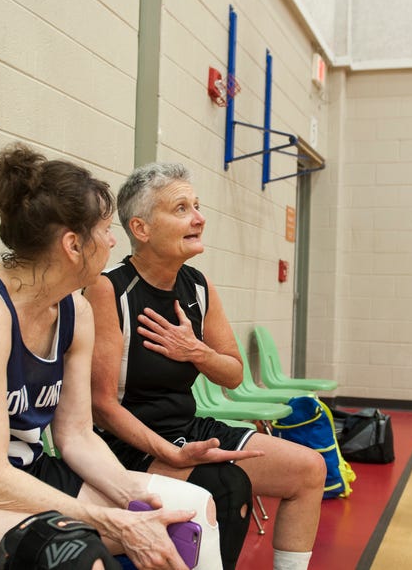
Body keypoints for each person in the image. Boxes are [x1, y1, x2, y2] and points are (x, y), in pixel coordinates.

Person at [0, 143, 225, 570]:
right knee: (70, 552)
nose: (113, 241)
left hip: (24, 475)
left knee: (191, 512)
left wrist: (136, 501)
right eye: (106, 230)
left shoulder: (76, 309)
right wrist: (111, 521)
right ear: (73, 244)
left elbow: (76, 436)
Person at [84, 162, 327, 570]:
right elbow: (100, 405)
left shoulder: (199, 286)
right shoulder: (109, 289)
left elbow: (233, 375)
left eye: (197, 206)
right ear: (141, 229)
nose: (199, 218)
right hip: (127, 443)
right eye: (181, 209)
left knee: (308, 469)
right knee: (226, 491)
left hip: (188, 429)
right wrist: (168, 452)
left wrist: (196, 352)